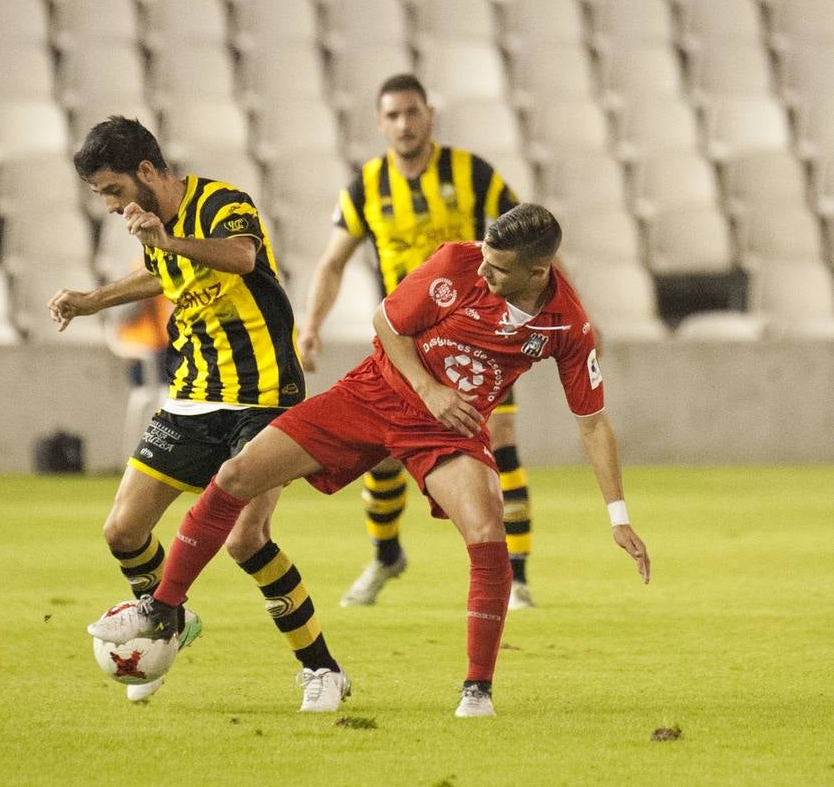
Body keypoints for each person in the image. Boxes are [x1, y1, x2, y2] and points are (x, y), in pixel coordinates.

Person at [87, 203, 651, 719]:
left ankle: (477, 692)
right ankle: (164, 609)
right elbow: (387, 323)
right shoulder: (458, 262)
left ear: (538, 273)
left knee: (487, 534)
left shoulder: (566, 325)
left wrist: (618, 516)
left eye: (499, 270)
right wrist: (430, 389)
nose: (483, 273)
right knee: (236, 476)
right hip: (373, 395)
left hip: (442, 431)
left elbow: (594, 423)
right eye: (485, 258)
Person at [50, 116, 350, 711]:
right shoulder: (152, 229)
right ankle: (167, 622)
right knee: (123, 531)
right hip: (193, 392)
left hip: (264, 395)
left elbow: (240, 258)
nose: (111, 206)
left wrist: (165, 241)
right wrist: (92, 301)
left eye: (112, 190)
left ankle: (323, 670)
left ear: (145, 172)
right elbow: (162, 273)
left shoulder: (222, 202)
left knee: (247, 539)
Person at [298, 73, 539, 610]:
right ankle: (386, 557)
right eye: (393, 115)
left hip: (477, 340)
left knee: (499, 445)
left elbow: (530, 242)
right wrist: (311, 323)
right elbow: (332, 262)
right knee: (382, 455)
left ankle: (517, 577)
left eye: (412, 112)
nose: (404, 124)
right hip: (404, 344)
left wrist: (555, 311)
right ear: (380, 123)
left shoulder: (471, 174)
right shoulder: (365, 186)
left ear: (429, 114)